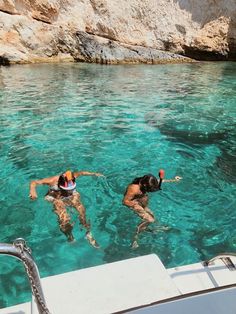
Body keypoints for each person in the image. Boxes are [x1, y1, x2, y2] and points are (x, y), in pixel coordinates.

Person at [29, 169, 103, 247]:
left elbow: (82, 172)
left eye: (71, 189)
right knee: (64, 217)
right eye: (67, 190)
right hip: (55, 197)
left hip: (69, 197)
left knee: (82, 212)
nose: (69, 191)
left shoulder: (71, 177)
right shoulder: (52, 180)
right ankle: (69, 234)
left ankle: (88, 233)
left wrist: (94, 173)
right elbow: (34, 182)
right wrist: (32, 191)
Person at [122, 169, 182, 248]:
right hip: (135, 203)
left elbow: (160, 182)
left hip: (142, 202)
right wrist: (137, 206)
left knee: (152, 216)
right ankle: (135, 238)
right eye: (149, 189)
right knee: (149, 220)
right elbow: (125, 201)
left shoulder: (148, 182)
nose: (150, 191)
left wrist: (174, 180)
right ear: (144, 185)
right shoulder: (134, 188)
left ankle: (149, 230)